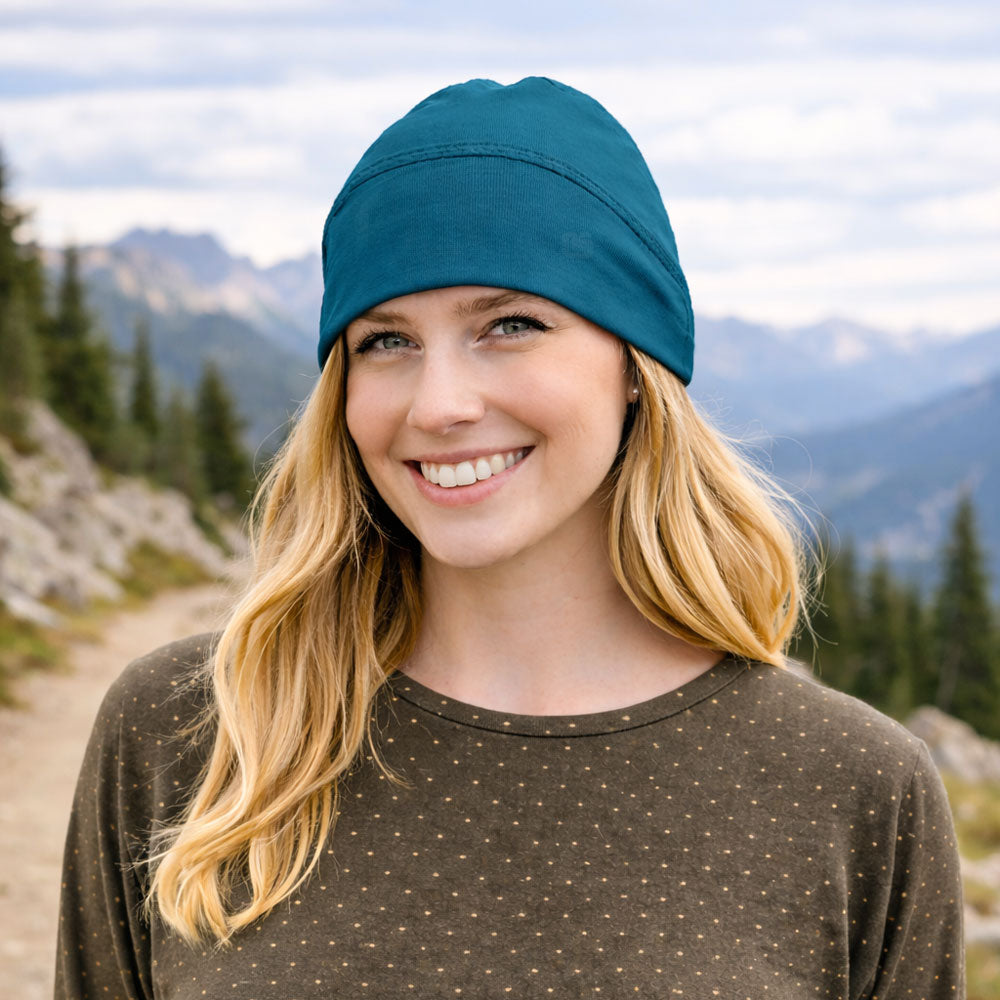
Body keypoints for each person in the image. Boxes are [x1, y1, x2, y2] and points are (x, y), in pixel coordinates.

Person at [55, 77, 965, 999]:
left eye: (511, 325)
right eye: (385, 341)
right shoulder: (185, 733)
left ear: (637, 368)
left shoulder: (856, 789)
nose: (440, 404)